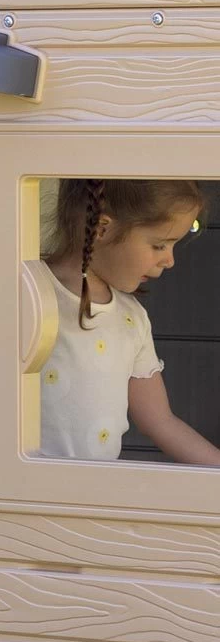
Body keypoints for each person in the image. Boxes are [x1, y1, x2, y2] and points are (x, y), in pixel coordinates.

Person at [40, 178, 220, 465]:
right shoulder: (29, 292)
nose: (170, 260)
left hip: (96, 489)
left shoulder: (132, 318)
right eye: (159, 245)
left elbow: (160, 421)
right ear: (102, 229)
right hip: (19, 486)